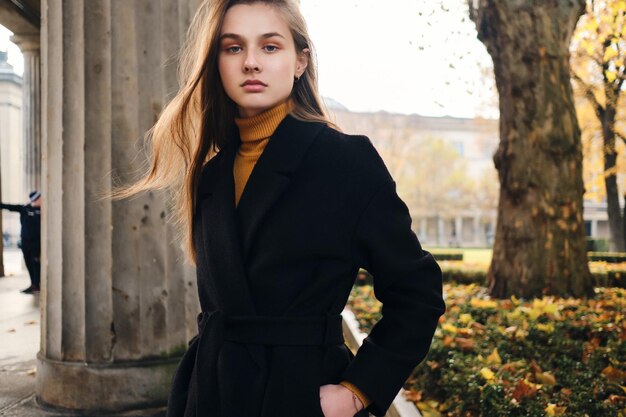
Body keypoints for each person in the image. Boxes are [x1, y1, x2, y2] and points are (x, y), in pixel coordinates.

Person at [114, 1, 445, 416]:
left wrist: (356, 391)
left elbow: (418, 294)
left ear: (300, 61)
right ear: (216, 61)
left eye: (270, 47)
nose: (251, 62)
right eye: (233, 48)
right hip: (211, 395)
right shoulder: (211, 174)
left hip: (299, 396)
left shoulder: (345, 162)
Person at [1, 190, 41, 294]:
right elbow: (9, 207)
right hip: (25, 241)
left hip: (36, 242)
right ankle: (33, 284)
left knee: (35, 262)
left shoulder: (43, 210)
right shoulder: (24, 208)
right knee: (28, 263)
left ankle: (37, 285)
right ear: (36, 199)